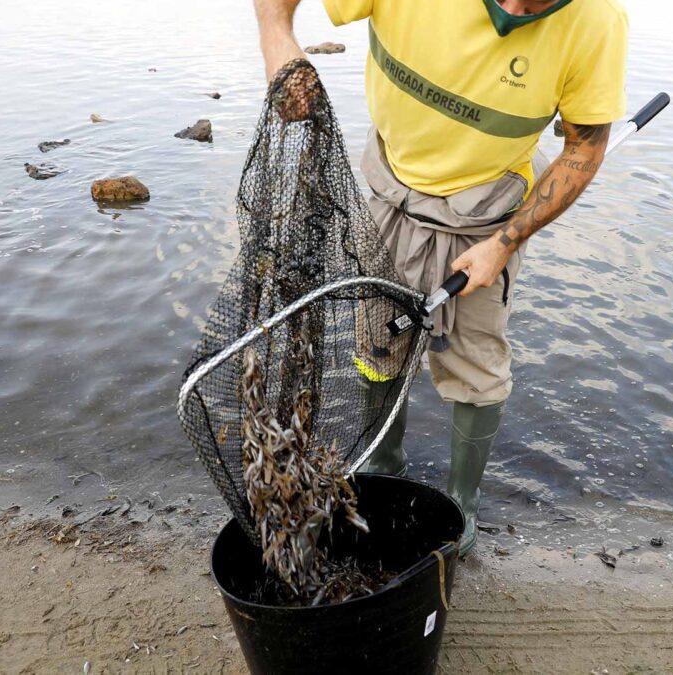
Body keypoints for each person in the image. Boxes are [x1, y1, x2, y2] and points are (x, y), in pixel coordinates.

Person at [254, 0, 628, 554]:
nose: (520, 9)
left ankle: (463, 502)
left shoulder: (598, 20)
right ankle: (385, 466)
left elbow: (584, 147)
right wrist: (278, 37)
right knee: (376, 342)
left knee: (477, 366)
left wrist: (504, 244)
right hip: (389, 196)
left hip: (488, 217)